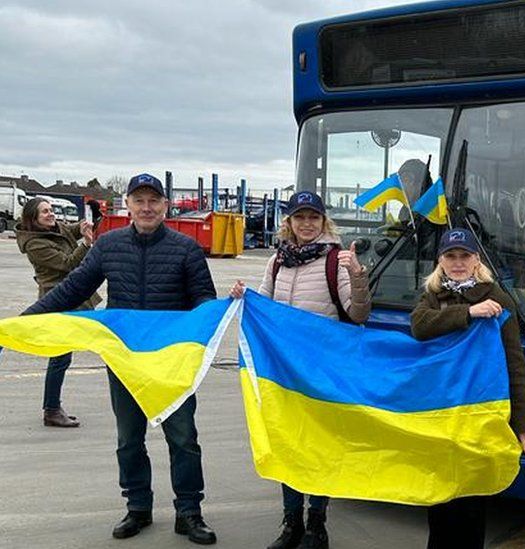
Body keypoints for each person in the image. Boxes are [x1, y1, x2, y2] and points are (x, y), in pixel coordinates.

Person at [24, 173, 218, 545]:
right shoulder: (108, 246)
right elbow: (72, 289)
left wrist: (210, 316)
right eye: (139, 200)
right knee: (129, 439)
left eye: (153, 201)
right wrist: (21, 323)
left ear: (165, 205)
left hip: (169, 363)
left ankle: (189, 512)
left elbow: (203, 299)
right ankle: (138, 508)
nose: (146, 208)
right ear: (127, 205)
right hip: (124, 361)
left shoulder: (186, 248)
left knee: (184, 439)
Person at [230, 190, 371, 549]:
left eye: (313, 217)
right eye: (299, 217)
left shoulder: (335, 260)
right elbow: (262, 305)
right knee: (288, 445)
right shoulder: (277, 261)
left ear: (324, 221)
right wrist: (241, 295)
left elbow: (358, 314)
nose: (306, 224)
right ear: (288, 222)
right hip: (284, 372)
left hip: (321, 371)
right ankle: (290, 522)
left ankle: (316, 524)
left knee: (318, 446)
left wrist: (357, 277)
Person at [410, 228, 525, 549]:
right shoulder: (432, 296)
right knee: (439, 501)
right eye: (450, 256)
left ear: (476, 259)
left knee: (471, 504)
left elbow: (515, 363)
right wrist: (467, 313)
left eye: (464, 256)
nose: (457, 262)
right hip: (440, 412)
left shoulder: (497, 297)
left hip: (477, 413)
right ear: (440, 261)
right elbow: (419, 326)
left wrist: (524, 424)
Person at [15, 197, 101, 427]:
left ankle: (52, 408)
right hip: (58, 301)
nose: (51, 214)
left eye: (51, 210)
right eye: (45, 212)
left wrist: (90, 220)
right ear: (34, 219)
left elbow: (73, 229)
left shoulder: (55, 229)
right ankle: (52, 409)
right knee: (60, 357)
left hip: (72, 299)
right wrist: (86, 244)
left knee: (62, 357)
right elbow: (67, 264)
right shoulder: (36, 244)